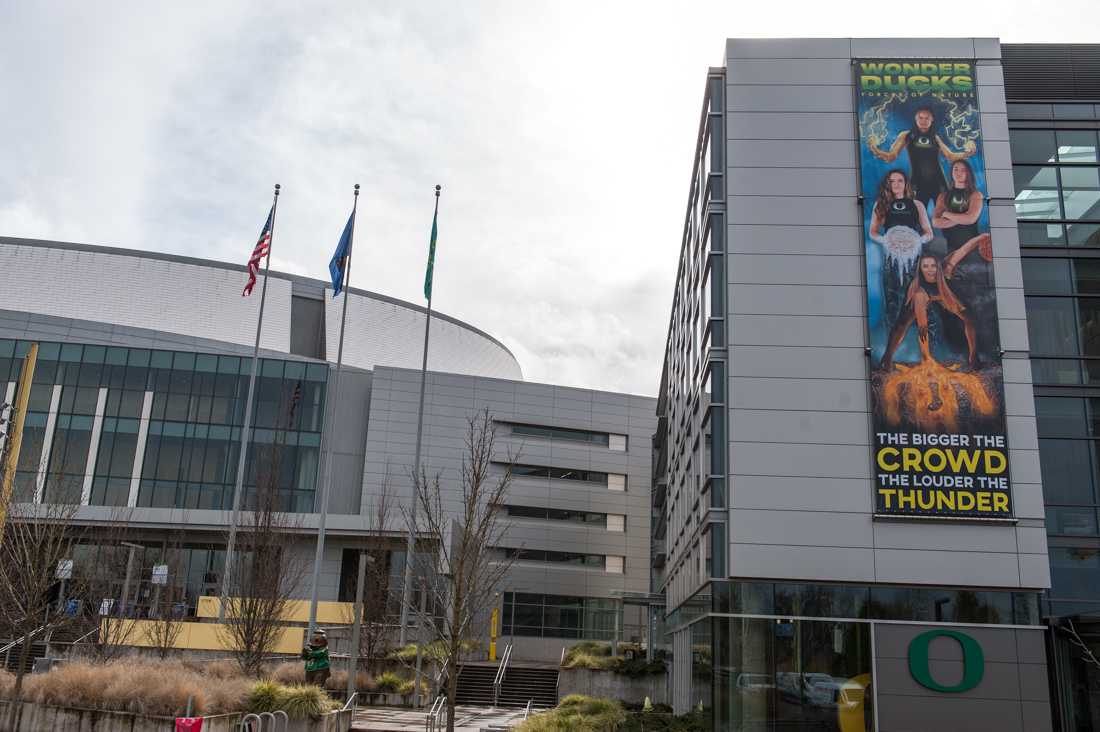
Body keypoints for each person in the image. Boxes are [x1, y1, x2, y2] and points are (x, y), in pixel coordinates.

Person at [878, 233, 989, 373]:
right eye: (925, 266)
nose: (930, 270)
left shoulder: (946, 269)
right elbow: (922, 328)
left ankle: (973, 357)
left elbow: (964, 250)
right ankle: (887, 358)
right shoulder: (918, 292)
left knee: (970, 318)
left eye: (933, 266)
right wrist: (926, 359)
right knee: (901, 324)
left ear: (938, 267)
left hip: (944, 294)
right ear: (920, 269)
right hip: (925, 295)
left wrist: (980, 238)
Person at [869, 107, 977, 207]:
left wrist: (967, 153)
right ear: (916, 119)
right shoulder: (906, 135)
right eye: (920, 118)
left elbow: (950, 156)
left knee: (944, 213)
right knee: (916, 217)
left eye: (927, 118)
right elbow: (891, 156)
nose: (923, 121)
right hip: (918, 183)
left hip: (938, 182)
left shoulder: (935, 137)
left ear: (932, 120)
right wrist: (875, 149)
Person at [868, 169, 933, 331]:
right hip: (892, 258)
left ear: (906, 184)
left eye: (900, 181)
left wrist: (917, 241)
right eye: (892, 181)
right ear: (887, 184)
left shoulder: (917, 205)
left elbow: (929, 233)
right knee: (891, 299)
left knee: (915, 297)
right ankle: (893, 337)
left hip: (913, 258)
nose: (896, 184)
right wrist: (886, 241)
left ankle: (919, 337)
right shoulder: (881, 204)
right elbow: (872, 233)